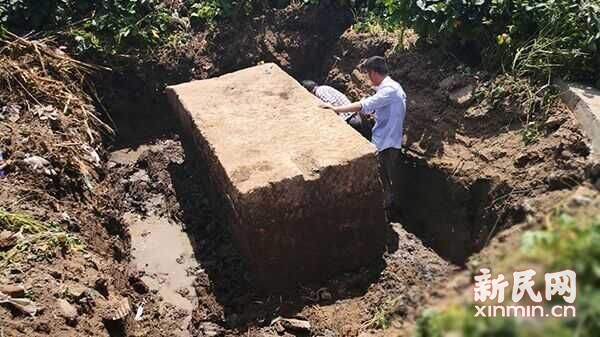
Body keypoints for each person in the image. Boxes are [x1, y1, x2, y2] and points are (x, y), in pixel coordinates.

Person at [319, 56, 406, 212]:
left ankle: (385, 214)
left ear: (372, 73)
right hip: (389, 139)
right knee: (385, 178)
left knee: (381, 179)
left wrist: (335, 109)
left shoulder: (389, 90)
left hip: (386, 142)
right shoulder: (393, 87)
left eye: (367, 74)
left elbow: (363, 105)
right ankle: (387, 209)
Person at [302, 80, 369, 138]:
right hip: (354, 116)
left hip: (350, 118)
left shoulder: (319, 91)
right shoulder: (324, 88)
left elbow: (331, 104)